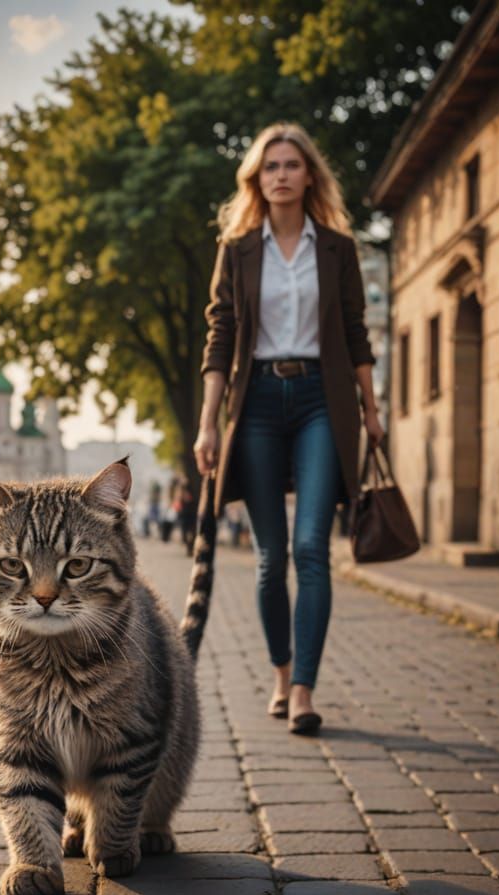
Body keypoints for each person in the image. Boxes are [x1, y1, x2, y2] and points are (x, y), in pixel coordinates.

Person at [193, 122, 384, 735]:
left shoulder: (336, 249)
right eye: (269, 166)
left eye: (291, 165)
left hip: (321, 400)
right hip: (256, 406)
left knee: (311, 548)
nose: (280, 175)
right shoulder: (239, 250)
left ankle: (303, 689)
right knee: (272, 558)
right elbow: (220, 338)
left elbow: (356, 331)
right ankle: (280, 674)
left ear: (309, 176)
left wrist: (372, 410)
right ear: (258, 178)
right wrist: (207, 425)